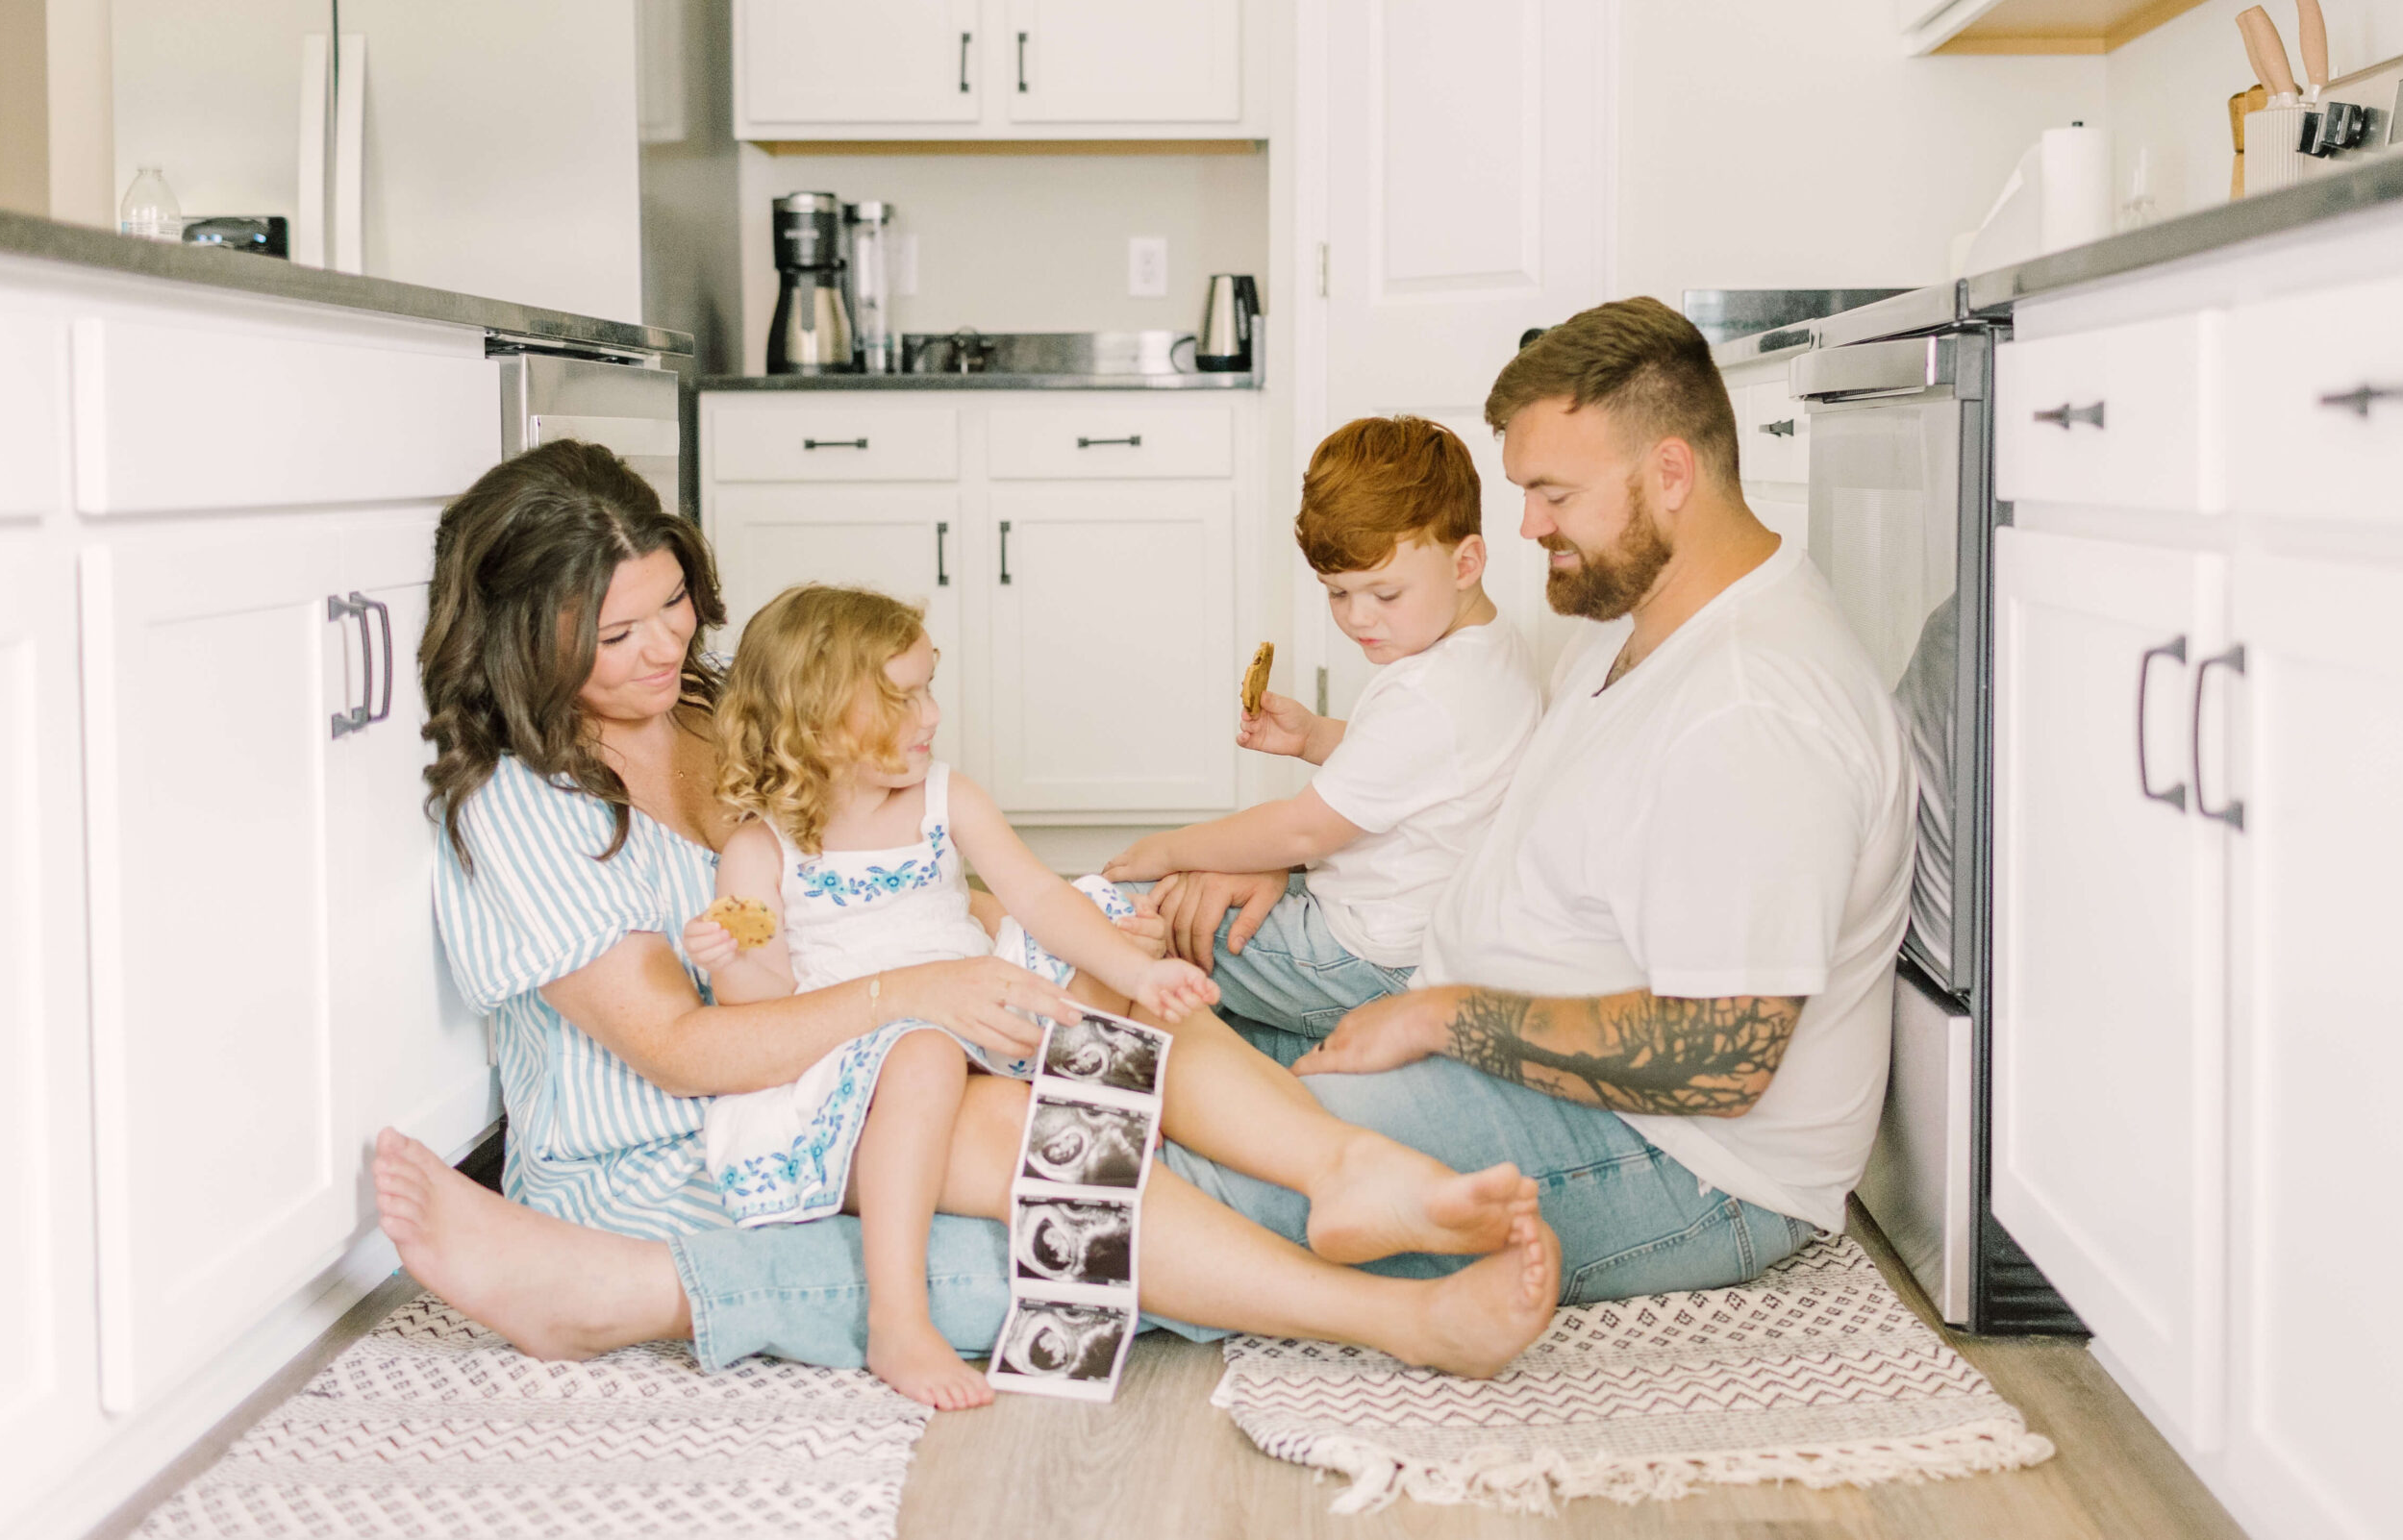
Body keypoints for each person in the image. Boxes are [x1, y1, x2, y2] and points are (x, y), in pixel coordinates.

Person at [374, 440, 1561, 1387]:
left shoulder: (717, 707)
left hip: (866, 1053)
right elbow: (684, 1051)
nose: (662, 647)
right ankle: (1395, 1318)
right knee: (1054, 1148)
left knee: (1102, 1014)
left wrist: (1052, 933)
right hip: (683, 1137)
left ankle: (1345, 1165)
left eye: (674, 605)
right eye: (616, 633)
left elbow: (892, 876)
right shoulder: (518, 806)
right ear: (523, 639)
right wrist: (919, 992)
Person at [1150, 296, 1918, 1299]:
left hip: (1678, 1158)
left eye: (1552, 491)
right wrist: (1281, 854)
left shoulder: (1751, 710)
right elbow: (1476, 796)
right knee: (1127, 1057)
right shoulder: (1627, 611)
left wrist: (1441, 1016)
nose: (1525, 525)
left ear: (1670, 473)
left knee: (1153, 1187)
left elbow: (1719, 1060)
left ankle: (886, 1284)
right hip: (1500, 1041)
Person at [683, 583, 1533, 1407]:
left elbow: (1039, 900)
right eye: (903, 698)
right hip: (880, 1053)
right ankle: (898, 1315)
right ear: (816, 721)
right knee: (923, 1053)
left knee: (1098, 923)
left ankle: (1340, 1166)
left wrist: (1136, 974)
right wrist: (731, 957)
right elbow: (764, 1006)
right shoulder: (764, 852)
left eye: (928, 686)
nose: (933, 714)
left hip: (982, 999)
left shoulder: (943, 796)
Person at [1104, 416, 1541, 1051]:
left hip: (1365, 959)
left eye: (1384, 593)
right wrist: (1314, 737)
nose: (1357, 617)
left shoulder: (1429, 694)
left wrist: (1173, 849)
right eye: (1337, 592)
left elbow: (1302, 829)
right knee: (1196, 930)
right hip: (1409, 933)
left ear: (1465, 561)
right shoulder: (1487, 651)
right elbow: (1428, 776)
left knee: (1125, 913)